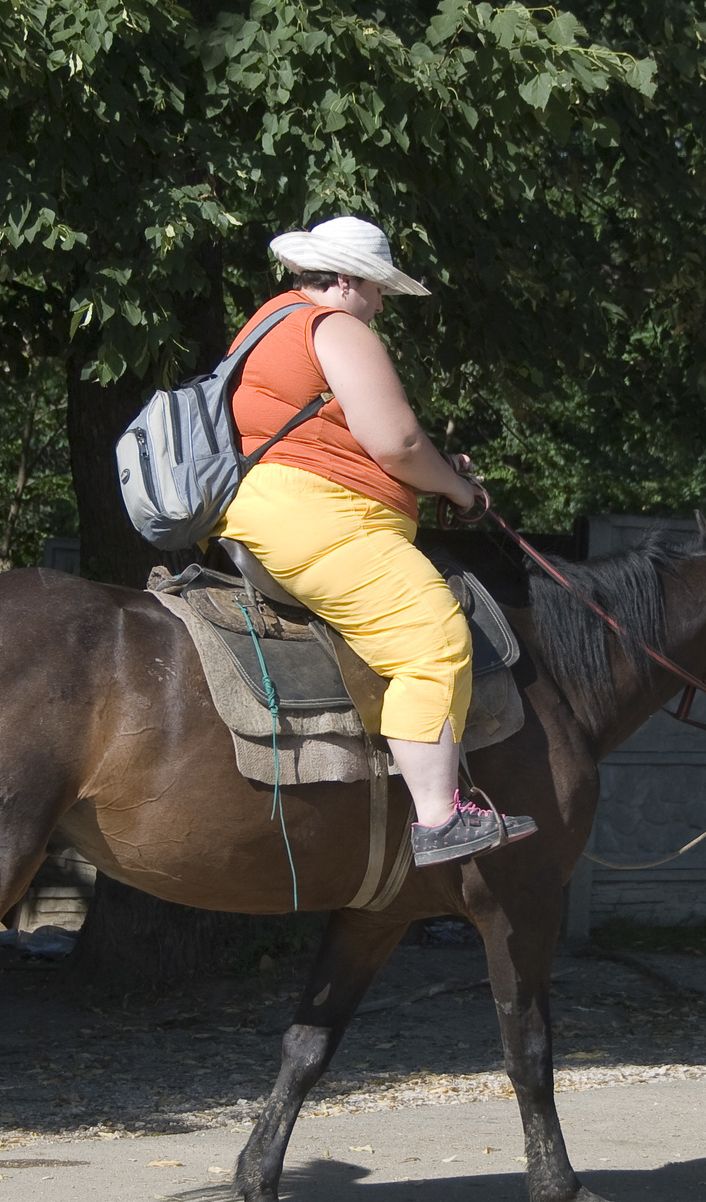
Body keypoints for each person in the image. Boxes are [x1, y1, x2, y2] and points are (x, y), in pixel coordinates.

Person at [216, 215, 537, 866]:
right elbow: (399, 443)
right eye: (378, 288)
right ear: (345, 280)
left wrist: (437, 472)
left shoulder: (266, 322)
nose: (382, 304)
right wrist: (459, 490)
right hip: (321, 515)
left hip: (275, 509)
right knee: (434, 639)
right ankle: (440, 820)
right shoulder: (334, 326)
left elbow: (348, 437)